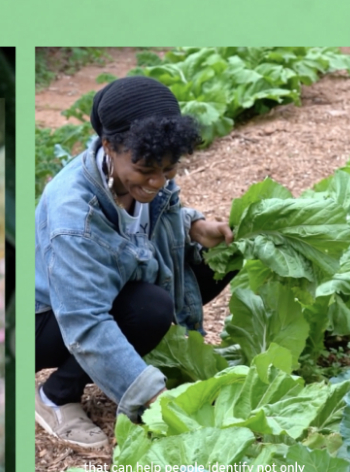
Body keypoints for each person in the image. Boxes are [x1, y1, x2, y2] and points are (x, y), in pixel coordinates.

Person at [31, 75, 224, 451]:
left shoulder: (145, 169)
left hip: (106, 290)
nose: (157, 182)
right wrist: (159, 401)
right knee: (150, 308)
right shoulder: (73, 214)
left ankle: (127, 362)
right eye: (147, 170)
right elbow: (85, 321)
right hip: (43, 320)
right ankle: (56, 396)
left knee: (219, 259)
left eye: (169, 170)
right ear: (109, 146)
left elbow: (142, 228)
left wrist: (195, 226)